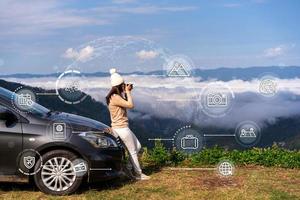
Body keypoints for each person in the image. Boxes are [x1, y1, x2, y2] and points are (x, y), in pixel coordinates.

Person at [106, 68, 150, 181]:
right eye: (123, 84)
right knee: (133, 151)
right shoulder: (115, 98)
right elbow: (130, 105)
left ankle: (129, 170)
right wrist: (129, 92)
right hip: (121, 128)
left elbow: (126, 104)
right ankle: (138, 174)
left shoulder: (114, 96)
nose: (125, 86)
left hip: (121, 128)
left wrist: (125, 92)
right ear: (119, 85)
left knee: (138, 146)